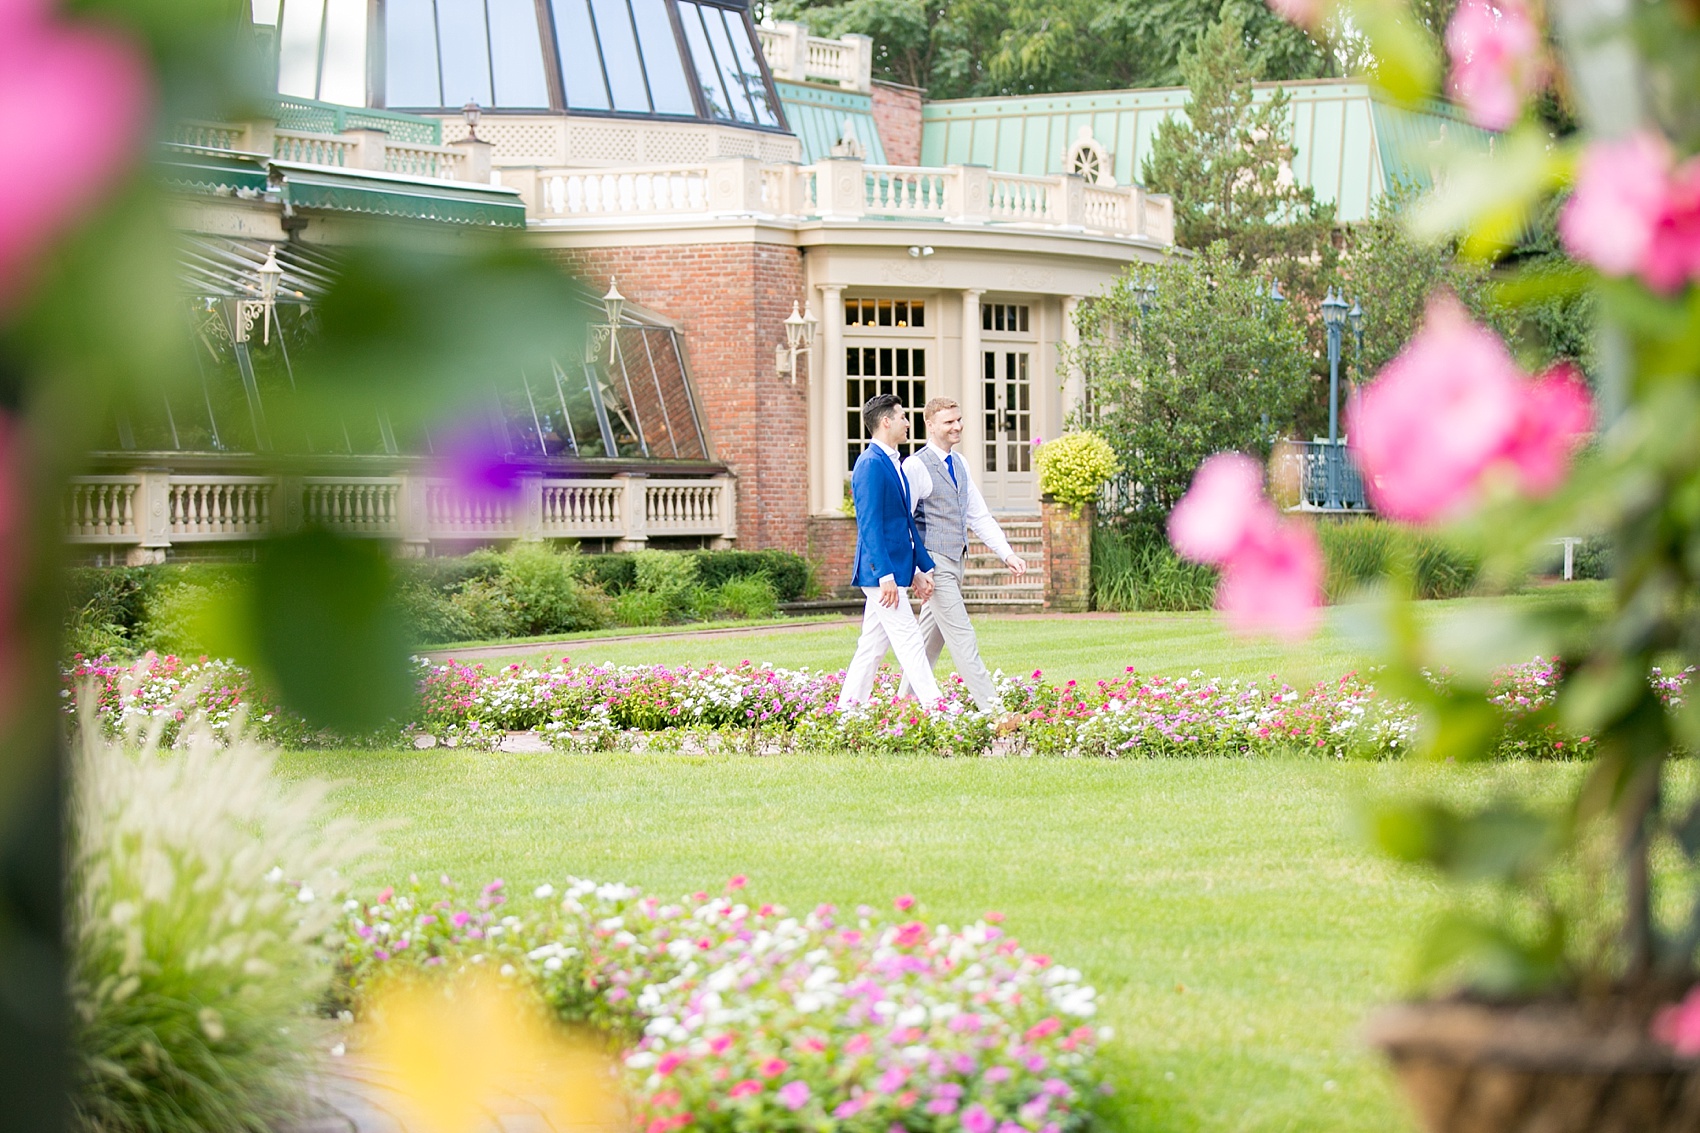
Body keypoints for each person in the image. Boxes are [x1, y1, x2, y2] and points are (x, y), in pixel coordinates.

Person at [898, 397, 1027, 723]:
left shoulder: (962, 464)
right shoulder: (915, 466)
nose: (956, 426)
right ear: (930, 424)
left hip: (957, 561)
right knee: (962, 637)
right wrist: (916, 569)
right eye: (948, 422)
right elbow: (903, 521)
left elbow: (978, 515)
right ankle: (996, 714)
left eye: (958, 420)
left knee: (927, 644)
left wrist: (1007, 553)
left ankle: (898, 711)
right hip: (934, 566)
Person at [836, 393, 942, 708]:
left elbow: (904, 522)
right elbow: (869, 525)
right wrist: (885, 574)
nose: (908, 423)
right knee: (910, 641)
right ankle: (939, 710)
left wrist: (919, 568)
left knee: (871, 647)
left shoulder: (893, 462)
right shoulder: (869, 464)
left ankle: (845, 712)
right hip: (881, 574)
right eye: (902, 417)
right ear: (886, 421)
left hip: (895, 570)